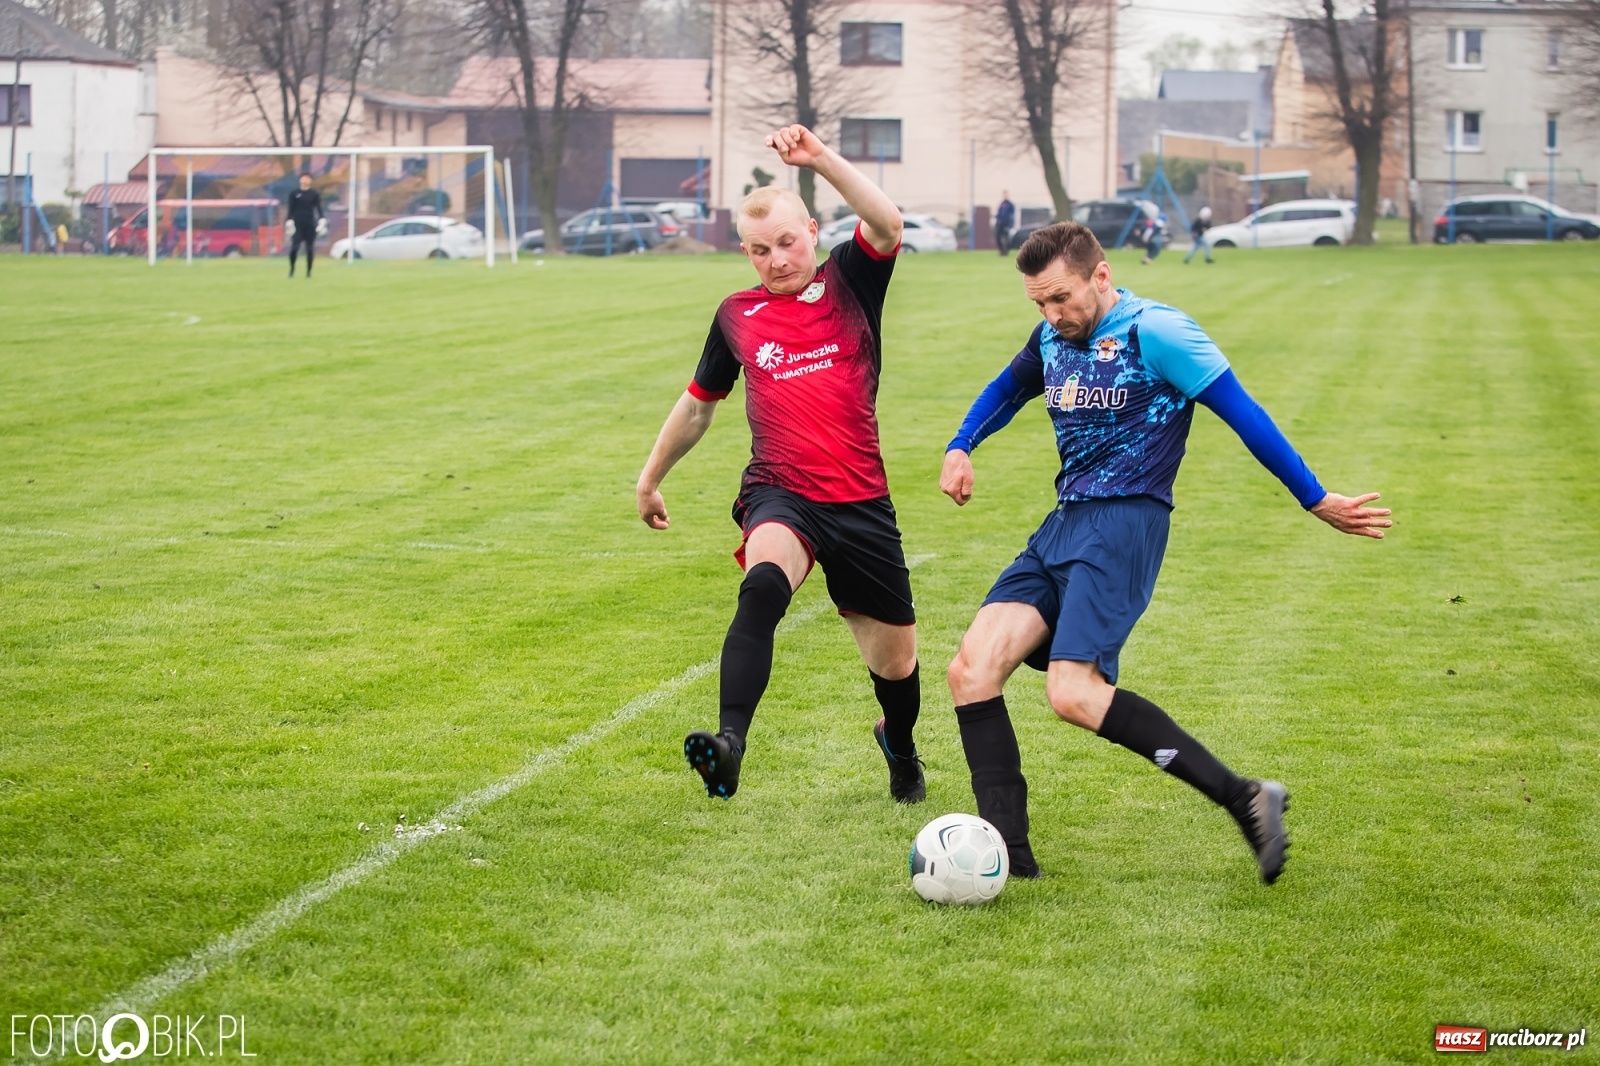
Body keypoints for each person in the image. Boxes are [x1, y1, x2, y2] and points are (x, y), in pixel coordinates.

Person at [939, 222, 1391, 883]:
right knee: (971, 670)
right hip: (1064, 522)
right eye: (1038, 303)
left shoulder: (1160, 333)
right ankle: (1008, 859)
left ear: (1101, 276)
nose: (1050, 315)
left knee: (1073, 693)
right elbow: (1007, 390)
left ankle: (1245, 797)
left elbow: (1246, 415)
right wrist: (961, 444)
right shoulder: (1051, 334)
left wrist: (1314, 497)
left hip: (1125, 525)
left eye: (1060, 299)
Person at [636, 124, 925, 805]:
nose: (776, 259)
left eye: (788, 243)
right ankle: (730, 746)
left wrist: (818, 157)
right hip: (781, 492)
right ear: (746, 251)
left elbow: (886, 223)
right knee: (763, 583)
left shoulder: (851, 284)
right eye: (760, 250)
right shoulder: (737, 315)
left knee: (897, 668)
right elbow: (700, 406)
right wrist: (649, 479)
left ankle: (901, 745)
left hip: (860, 502)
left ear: (813, 233)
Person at [285, 173, 324, 278]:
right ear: (300, 180)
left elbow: (318, 208)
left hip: (310, 224)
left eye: (307, 178)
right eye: (303, 178)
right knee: (294, 248)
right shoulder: (294, 193)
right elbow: (290, 209)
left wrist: (322, 219)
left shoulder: (314, 194)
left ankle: (308, 272)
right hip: (297, 224)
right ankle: (292, 270)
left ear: (310, 180)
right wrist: (288, 220)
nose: (305, 180)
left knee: (310, 248)